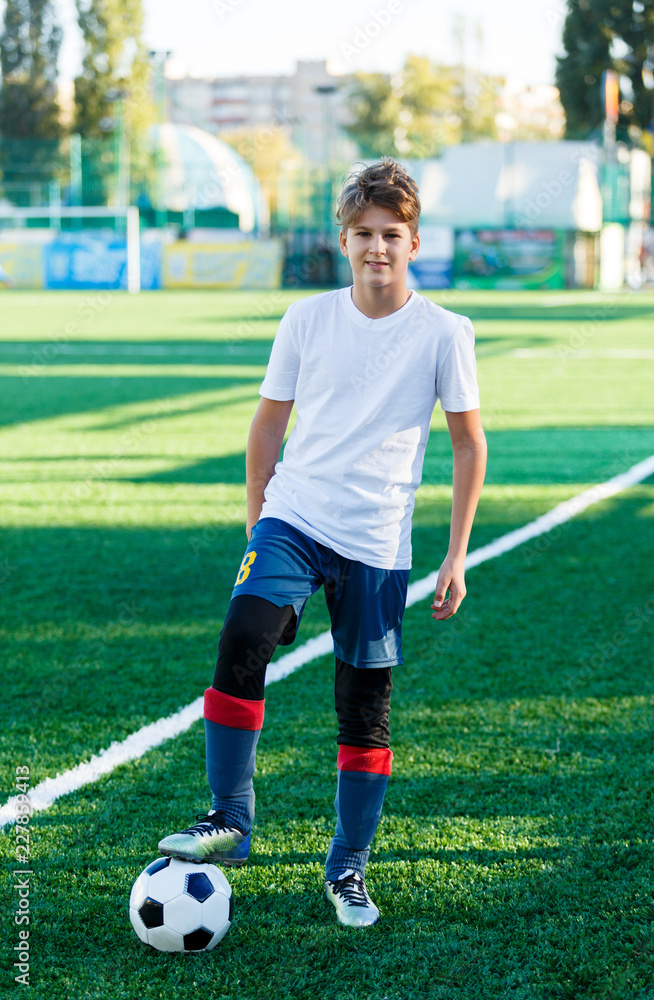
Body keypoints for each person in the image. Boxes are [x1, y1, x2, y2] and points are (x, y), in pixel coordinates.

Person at [158, 159, 487, 928]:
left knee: (363, 708)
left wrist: (456, 553)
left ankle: (347, 869)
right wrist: (256, 518)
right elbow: (268, 423)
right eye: (364, 235)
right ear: (343, 240)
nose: (378, 248)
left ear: (414, 242)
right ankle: (230, 820)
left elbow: (469, 447)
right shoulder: (306, 319)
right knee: (244, 632)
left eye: (392, 235)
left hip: (378, 542)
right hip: (294, 517)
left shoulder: (445, 333)